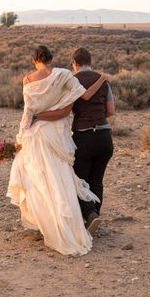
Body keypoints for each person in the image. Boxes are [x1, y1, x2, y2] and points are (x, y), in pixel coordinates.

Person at [7, 46, 109, 256]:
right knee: (61, 179)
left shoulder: (27, 80)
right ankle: (72, 223)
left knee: (40, 180)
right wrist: (103, 78)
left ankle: (49, 224)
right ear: (51, 58)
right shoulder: (63, 75)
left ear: (34, 60)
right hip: (56, 135)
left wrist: (20, 137)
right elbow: (79, 100)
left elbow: (28, 114)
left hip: (35, 135)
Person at [34, 47, 114, 236]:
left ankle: (90, 215)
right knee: (97, 180)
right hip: (104, 136)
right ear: (90, 62)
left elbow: (64, 109)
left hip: (83, 136)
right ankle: (94, 218)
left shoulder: (72, 81)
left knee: (78, 179)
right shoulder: (103, 81)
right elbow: (111, 110)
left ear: (74, 64)